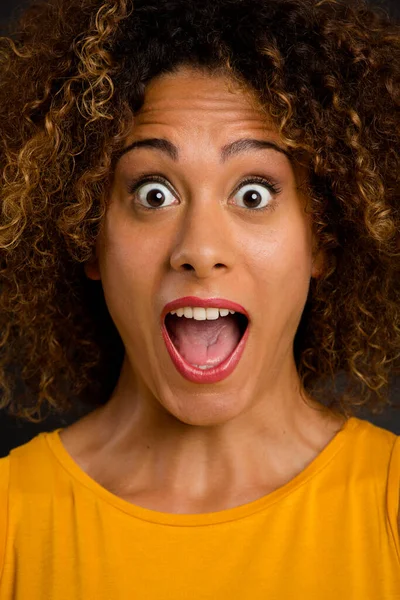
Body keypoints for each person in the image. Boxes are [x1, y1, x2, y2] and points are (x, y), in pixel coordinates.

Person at [0, 0, 399, 597]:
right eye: (154, 193)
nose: (200, 249)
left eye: (254, 194)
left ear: (323, 238)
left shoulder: (390, 503)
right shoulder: (11, 517)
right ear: (87, 233)